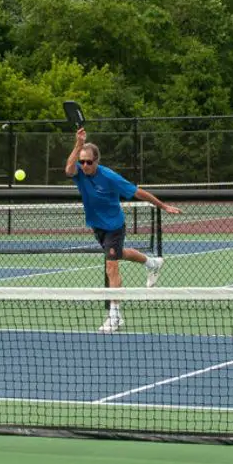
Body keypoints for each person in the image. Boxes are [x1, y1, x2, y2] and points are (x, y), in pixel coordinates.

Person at [66, 128, 181, 332]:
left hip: (114, 225)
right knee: (119, 254)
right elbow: (68, 169)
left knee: (111, 266)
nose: (84, 165)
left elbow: (138, 192)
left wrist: (162, 206)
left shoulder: (110, 177)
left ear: (96, 161)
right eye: (82, 162)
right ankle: (152, 262)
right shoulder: (79, 173)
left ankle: (115, 316)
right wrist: (78, 143)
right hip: (97, 226)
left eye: (88, 162)